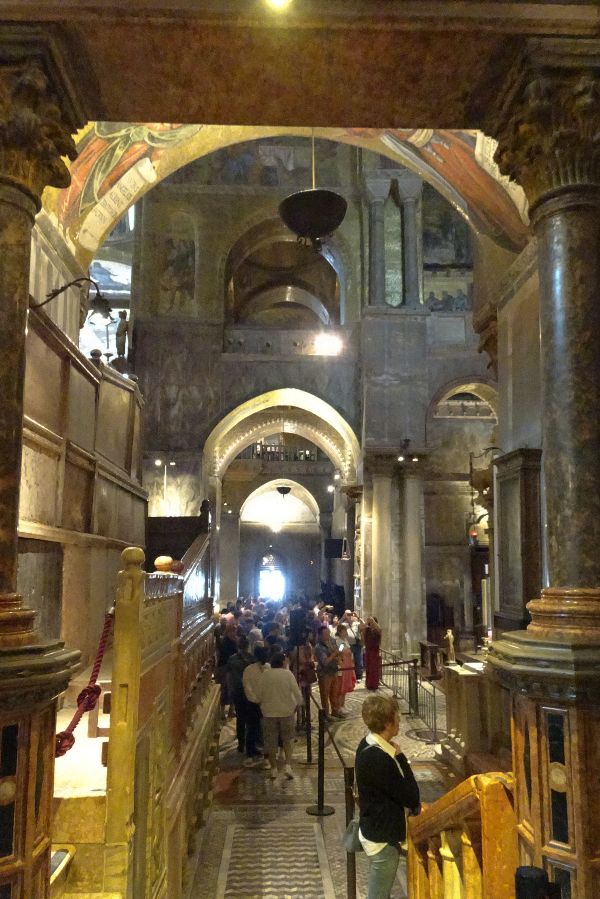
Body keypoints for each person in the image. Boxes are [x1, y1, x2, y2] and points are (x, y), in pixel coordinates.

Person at [355, 694, 421, 899]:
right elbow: (411, 797)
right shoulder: (379, 759)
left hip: (374, 828)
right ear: (387, 723)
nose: (400, 721)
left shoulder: (366, 743)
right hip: (381, 838)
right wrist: (401, 758)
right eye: (397, 718)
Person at [253, 651, 303, 780]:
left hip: (269, 712)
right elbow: (296, 692)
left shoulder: (265, 675)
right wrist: (299, 703)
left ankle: (274, 768)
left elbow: (258, 695)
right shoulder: (287, 674)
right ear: (282, 662)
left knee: (270, 740)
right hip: (286, 711)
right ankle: (288, 765)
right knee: (288, 739)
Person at [226, 635, 258, 763]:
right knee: (251, 720)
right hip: (249, 692)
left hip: (237, 691)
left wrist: (230, 691)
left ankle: (240, 744)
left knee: (240, 718)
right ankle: (251, 745)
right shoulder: (252, 659)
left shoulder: (232, 659)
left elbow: (229, 676)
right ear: (248, 646)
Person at [242, 643, 270, 764]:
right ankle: (251, 751)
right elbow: (247, 686)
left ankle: (265, 751)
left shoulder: (268, 668)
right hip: (254, 703)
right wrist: (256, 700)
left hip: (264, 702)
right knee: (252, 727)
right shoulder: (249, 669)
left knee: (265, 728)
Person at [314, 625, 343, 719]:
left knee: (334, 693)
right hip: (325, 674)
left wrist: (339, 652)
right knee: (325, 695)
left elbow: (340, 649)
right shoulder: (318, 647)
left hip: (334, 671)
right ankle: (326, 715)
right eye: (326, 634)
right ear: (320, 635)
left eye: (328, 633)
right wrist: (334, 654)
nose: (328, 636)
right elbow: (325, 662)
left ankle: (335, 711)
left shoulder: (332, 641)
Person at [336, 623, 356, 705]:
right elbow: (339, 652)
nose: (346, 632)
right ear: (340, 632)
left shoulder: (345, 640)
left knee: (346, 685)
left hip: (348, 664)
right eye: (344, 630)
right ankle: (339, 705)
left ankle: (342, 704)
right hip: (344, 664)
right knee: (342, 685)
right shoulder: (340, 642)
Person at [363, 616, 382, 690]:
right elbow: (362, 629)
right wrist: (367, 622)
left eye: (372, 622)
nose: (371, 623)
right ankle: (369, 684)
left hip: (374, 651)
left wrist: (373, 621)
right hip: (368, 650)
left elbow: (379, 629)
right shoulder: (368, 630)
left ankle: (374, 684)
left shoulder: (377, 630)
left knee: (374, 668)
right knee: (368, 667)